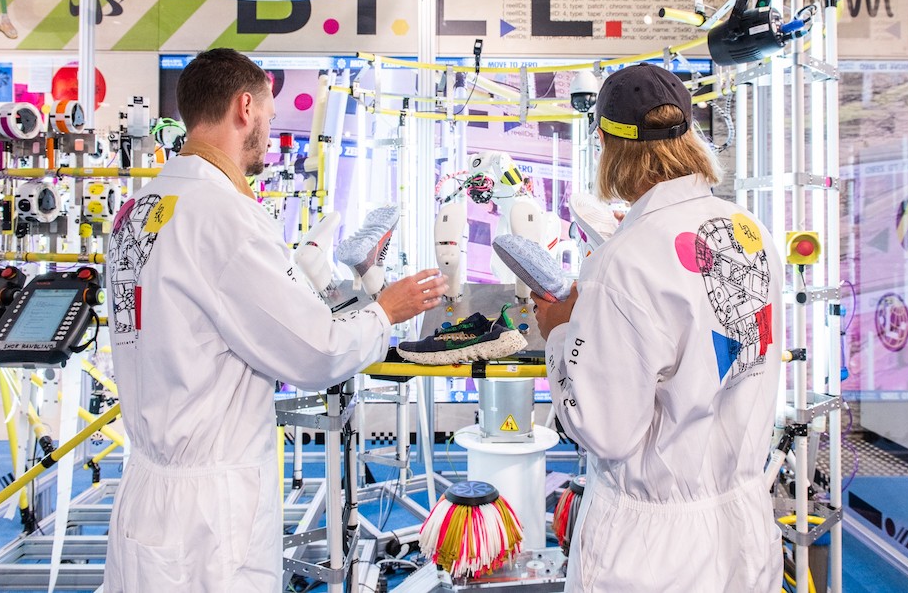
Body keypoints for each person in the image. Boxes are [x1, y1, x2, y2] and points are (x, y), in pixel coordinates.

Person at [103, 48, 448, 592]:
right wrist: (387, 311)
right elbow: (317, 352)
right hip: (209, 520)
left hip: (147, 493)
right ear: (246, 107)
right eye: (269, 112)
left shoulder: (141, 208)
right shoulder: (224, 216)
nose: (270, 127)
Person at [533, 63, 783, 592]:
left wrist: (561, 329)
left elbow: (608, 430)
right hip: (746, 526)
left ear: (604, 141)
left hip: (654, 551)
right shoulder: (748, 230)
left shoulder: (622, 262)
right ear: (688, 133)